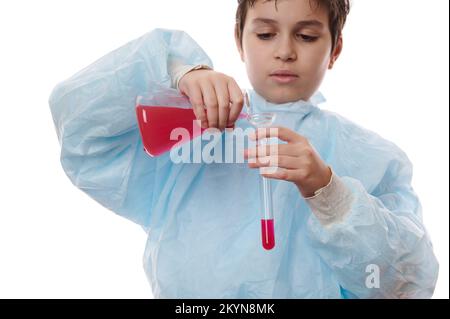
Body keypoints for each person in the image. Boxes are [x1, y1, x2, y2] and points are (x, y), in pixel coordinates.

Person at [49, 0, 439, 298]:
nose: (285, 51)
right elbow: (82, 133)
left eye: (306, 36)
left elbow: (407, 283)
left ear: (335, 48)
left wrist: (329, 192)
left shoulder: (373, 158)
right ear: (239, 41)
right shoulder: (190, 130)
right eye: (266, 34)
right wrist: (176, 71)